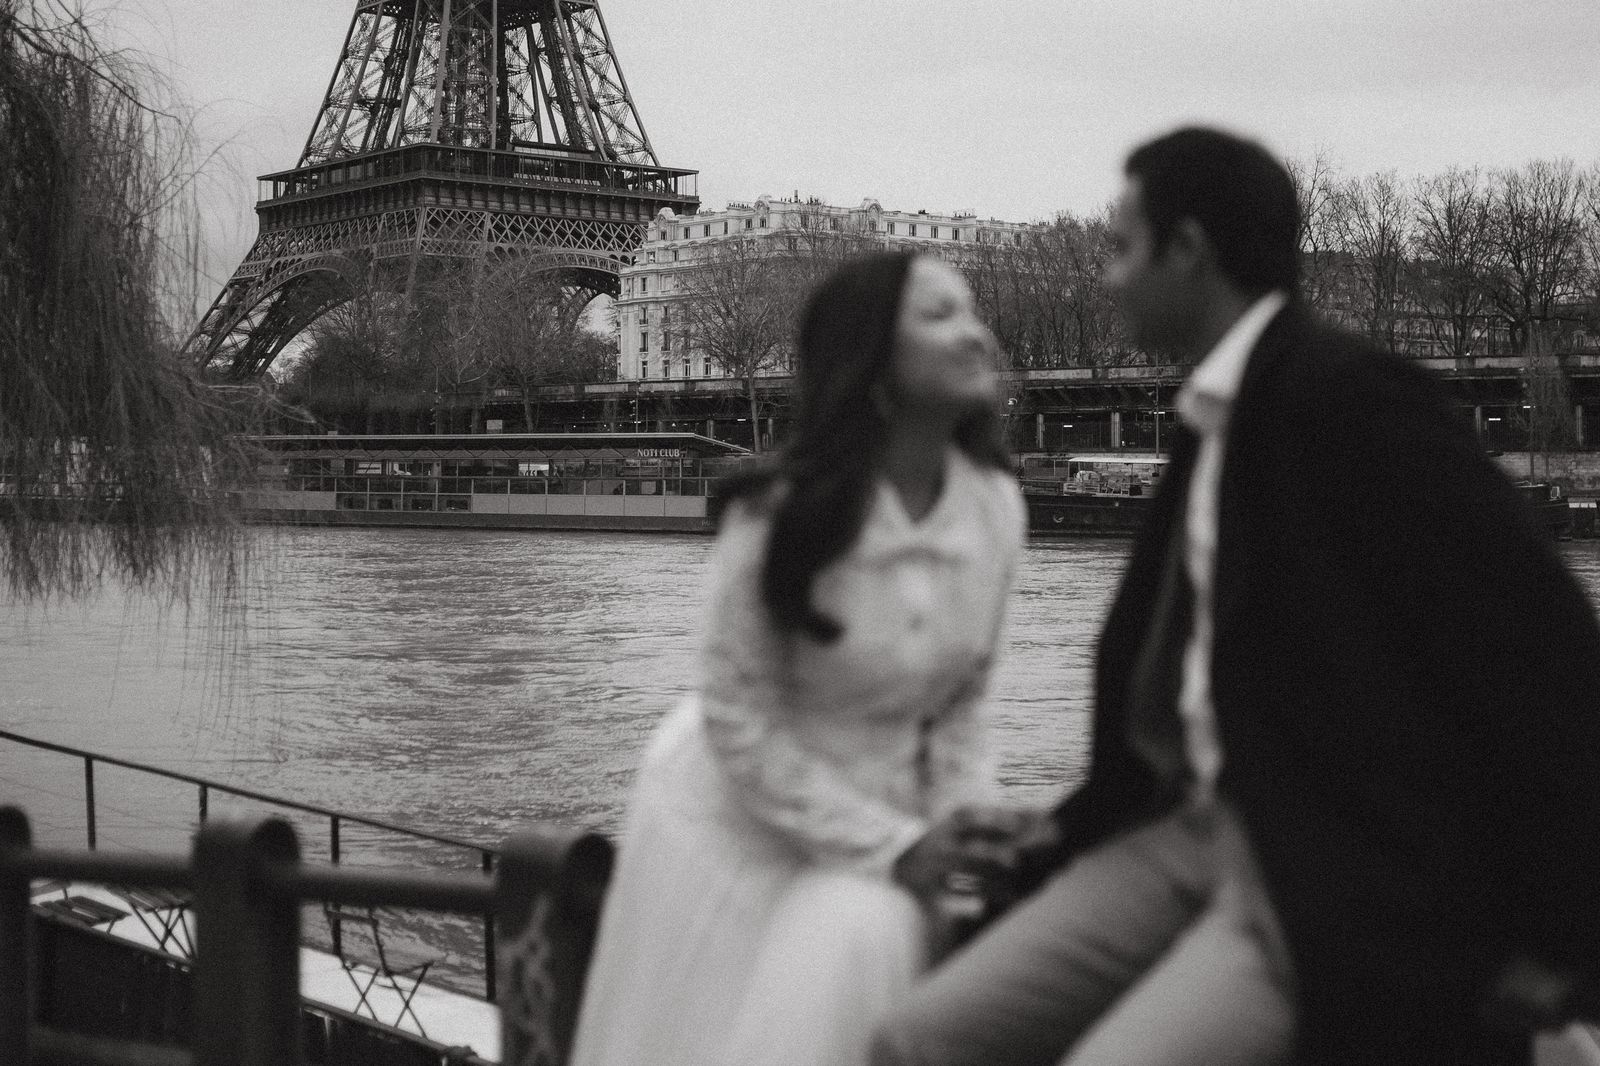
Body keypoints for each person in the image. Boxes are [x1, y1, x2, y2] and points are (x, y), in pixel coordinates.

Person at [873, 127, 1600, 1066]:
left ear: (1188, 252)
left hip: (1310, 868)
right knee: (917, 1038)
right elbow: (1181, 684)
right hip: (1188, 830)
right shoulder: (1217, 417)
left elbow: (1545, 655)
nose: (1104, 277)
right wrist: (1066, 827)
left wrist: (1560, 939)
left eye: (1120, 249)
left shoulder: (1350, 401)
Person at [568, 251, 1027, 1066]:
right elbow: (740, 720)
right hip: (740, 824)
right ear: (870, 362)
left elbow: (961, 705)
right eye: (939, 316)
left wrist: (957, 834)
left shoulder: (995, 506)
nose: (976, 335)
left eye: (971, 309)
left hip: (890, 802)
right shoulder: (778, 517)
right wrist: (894, 850)